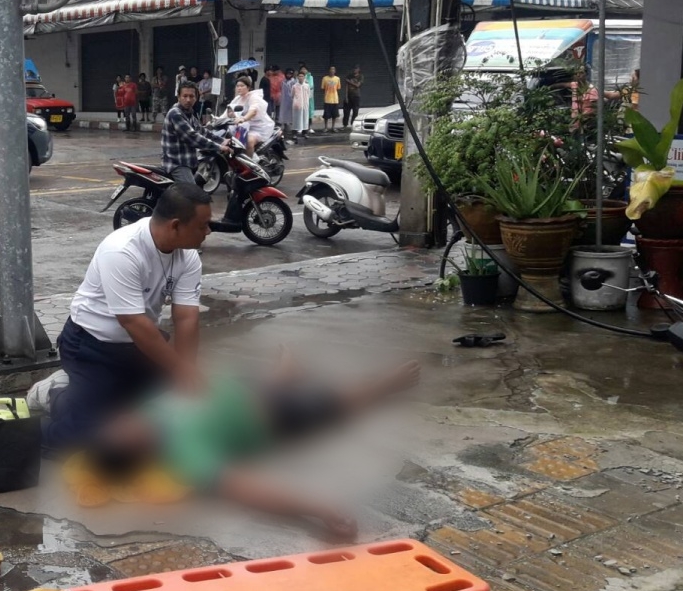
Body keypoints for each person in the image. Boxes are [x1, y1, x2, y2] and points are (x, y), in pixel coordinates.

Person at [76, 348, 421, 537]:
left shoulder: (147, 412)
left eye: (114, 425)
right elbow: (244, 488)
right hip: (271, 415)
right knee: (335, 404)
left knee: (266, 382)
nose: (121, 421)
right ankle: (387, 385)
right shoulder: (183, 453)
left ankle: (285, 373)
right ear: (135, 451)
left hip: (237, 390)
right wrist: (319, 508)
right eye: (120, 432)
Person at [43, 184, 212, 450]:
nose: (208, 231)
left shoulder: (188, 256)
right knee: (92, 441)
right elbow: (133, 322)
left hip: (139, 346)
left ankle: (100, 398)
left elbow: (186, 318)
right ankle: (55, 394)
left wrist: (186, 373)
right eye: (203, 225)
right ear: (176, 226)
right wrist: (180, 369)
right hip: (90, 346)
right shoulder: (122, 250)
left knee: (164, 417)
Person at [161, 82, 230, 185]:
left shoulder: (189, 114)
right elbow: (193, 137)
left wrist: (222, 140)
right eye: (185, 96)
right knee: (193, 193)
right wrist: (219, 147)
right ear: (178, 97)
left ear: (196, 98)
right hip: (177, 163)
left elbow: (203, 131)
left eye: (191, 96)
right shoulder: (175, 114)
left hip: (188, 161)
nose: (188, 100)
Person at [228, 75, 277, 156]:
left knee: (249, 141)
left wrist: (244, 118)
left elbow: (253, 111)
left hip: (256, 128)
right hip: (242, 127)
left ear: (248, 87)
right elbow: (227, 111)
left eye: (242, 86)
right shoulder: (237, 99)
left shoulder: (253, 97)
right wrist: (216, 120)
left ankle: (249, 161)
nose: (239, 88)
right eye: (237, 86)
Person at [292, 69, 313, 138]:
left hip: (305, 105)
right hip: (297, 106)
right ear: (297, 77)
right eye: (299, 76)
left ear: (304, 77)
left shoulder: (307, 86)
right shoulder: (294, 86)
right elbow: (292, 95)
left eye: (302, 76)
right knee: (296, 119)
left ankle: (305, 133)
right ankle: (294, 134)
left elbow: (309, 95)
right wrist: (296, 101)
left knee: (305, 119)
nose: (301, 77)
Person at [321, 66, 342, 132]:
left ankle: (333, 127)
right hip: (327, 99)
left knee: (334, 115)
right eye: (331, 69)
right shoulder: (325, 78)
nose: (332, 71)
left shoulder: (337, 79)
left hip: (335, 99)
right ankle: (326, 127)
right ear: (329, 70)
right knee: (326, 115)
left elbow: (338, 88)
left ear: (335, 71)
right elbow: (322, 88)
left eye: (333, 69)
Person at [300, 63, 315, 132]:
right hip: (301, 98)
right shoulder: (299, 77)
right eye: (302, 69)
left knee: (309, 113)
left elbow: (311, 85)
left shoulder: (310, 77)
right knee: (301, 113)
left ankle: (310, 127)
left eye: (304, 69)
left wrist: (305, 82)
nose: (303, 70)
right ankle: (302, 127)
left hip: (309, 98)